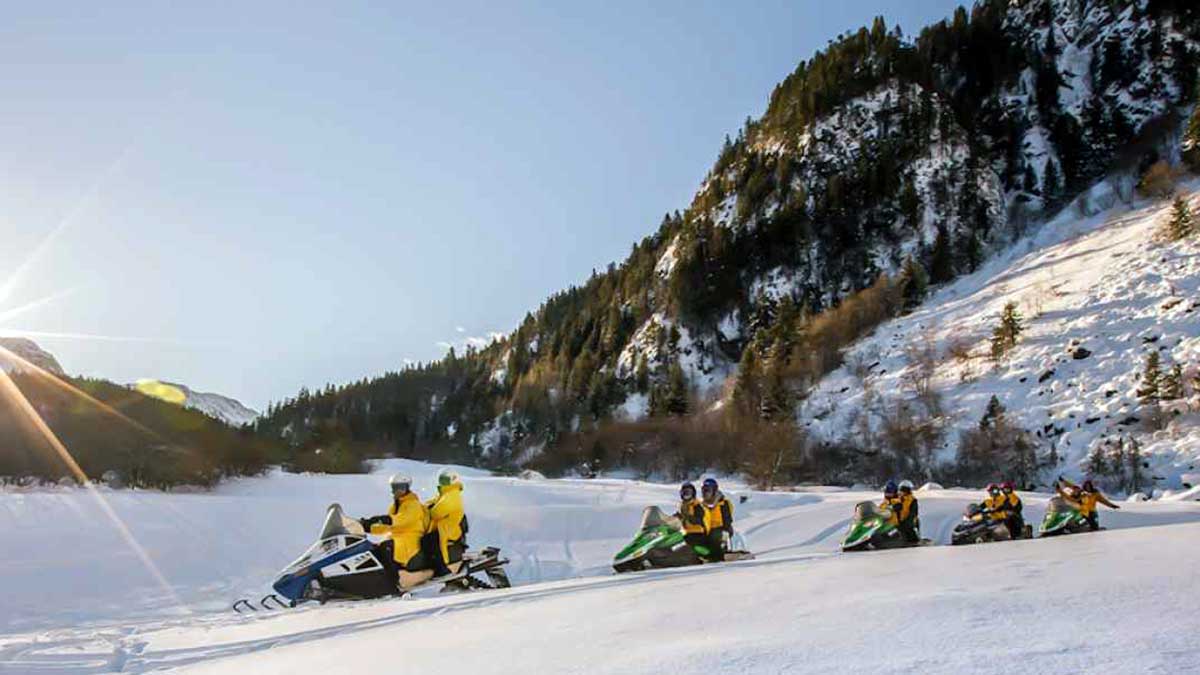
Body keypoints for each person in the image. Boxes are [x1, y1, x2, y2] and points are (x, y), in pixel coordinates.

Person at [362, 474, 433, 590]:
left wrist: (385, 519)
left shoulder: (413, 504)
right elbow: (388, 526)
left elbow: (403, 519)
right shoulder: (395, 506)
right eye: (395, 487)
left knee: (387, 547)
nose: (398, 490)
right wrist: (367, 527)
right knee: (374, 549)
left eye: (401, 487)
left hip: (411, 540)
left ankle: (394, 584)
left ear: (407, 487)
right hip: (398, 538)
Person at [425, 468, 468, 578]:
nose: (442, 483)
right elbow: (432, 502)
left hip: (449, 530)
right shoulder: (445, 494)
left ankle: (442, 569)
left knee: (430, 540)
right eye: (442, 480)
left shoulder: (452, 495)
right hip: (445, 528)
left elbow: (436, 513)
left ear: (452, 481)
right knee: (427, 538)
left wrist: (430, 510)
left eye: (445, 480)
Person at [699, 478, 733, 562]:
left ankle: (718, 554)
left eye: (708, 491)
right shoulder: (702, 505)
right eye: (704, 491)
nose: (706, 493)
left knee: (715, 535)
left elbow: (727, 519)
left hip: (721, 529)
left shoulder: (723, 503)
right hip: (707, 529)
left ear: (714, 490)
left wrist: (726, 530)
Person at [881, 479, 920, 544]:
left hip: (908, 522)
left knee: (907, 530)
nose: (902, 492)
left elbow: (913, 513)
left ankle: (913, 542)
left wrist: (907, 522)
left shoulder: (912, 500)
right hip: (897, 522)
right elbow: (890, 507)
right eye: (901, 490)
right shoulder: (898, 499)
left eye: (904, 490)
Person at [675, 482, 708, 551]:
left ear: (693, 494)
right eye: (685, 492)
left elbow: (699, 518)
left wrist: (688, 517)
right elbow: (677, 516)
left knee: (683, 546)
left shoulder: (697, 505)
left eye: (689, 492)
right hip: (685, 532)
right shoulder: (682, 505)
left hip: (697, 532)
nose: (687, 495)